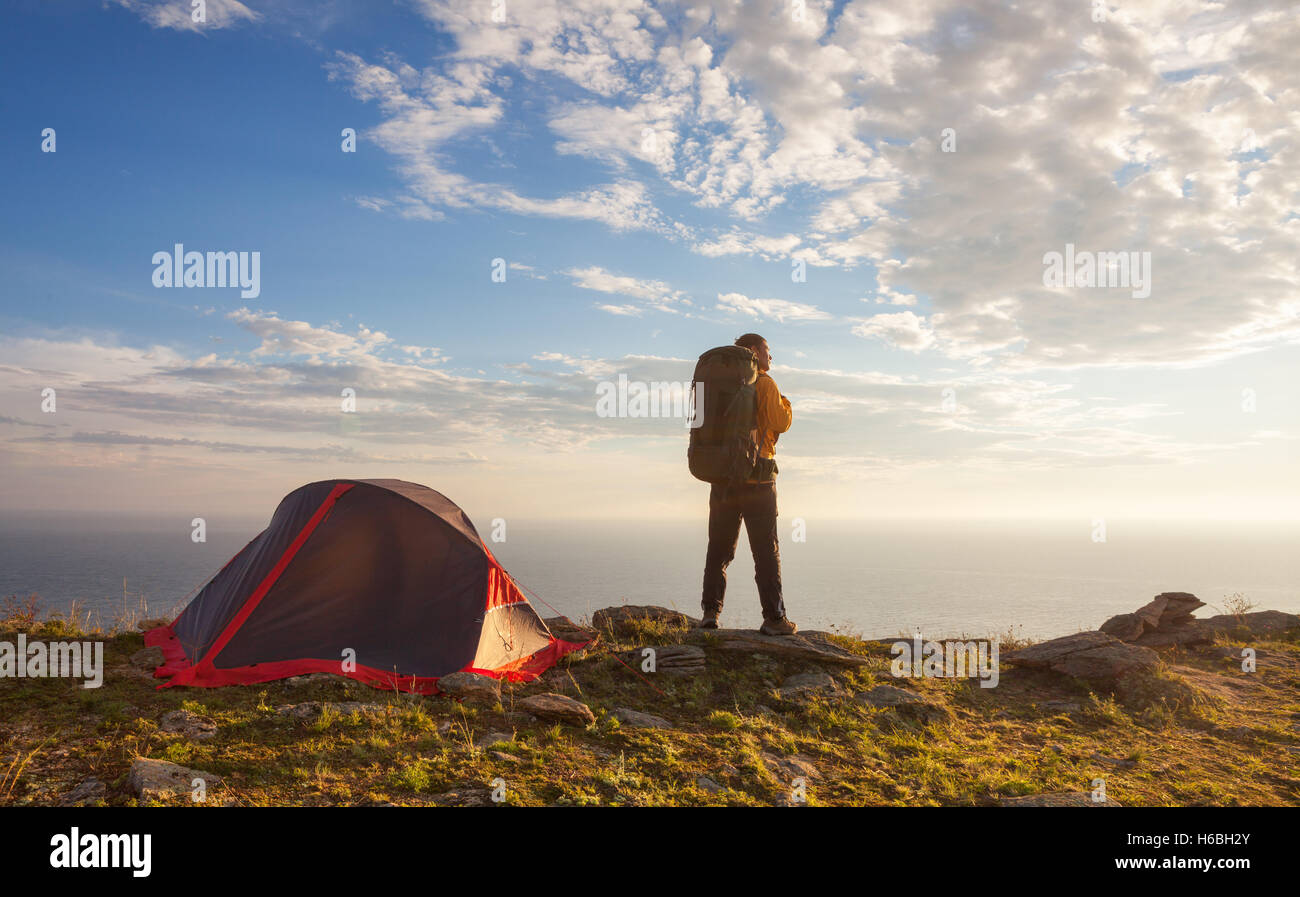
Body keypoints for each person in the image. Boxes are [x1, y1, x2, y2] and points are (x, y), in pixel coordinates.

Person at [700, 333, 797, 635]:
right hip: (758, 480)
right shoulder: (765, 383)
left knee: (719, 548)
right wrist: (786, 403)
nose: (771, 357)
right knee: (766, 551)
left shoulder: (720, 387)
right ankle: (774, 618)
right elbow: (780, 422)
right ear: (754, 351)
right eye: (768, 350)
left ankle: (710, 614)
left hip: (723, 479)